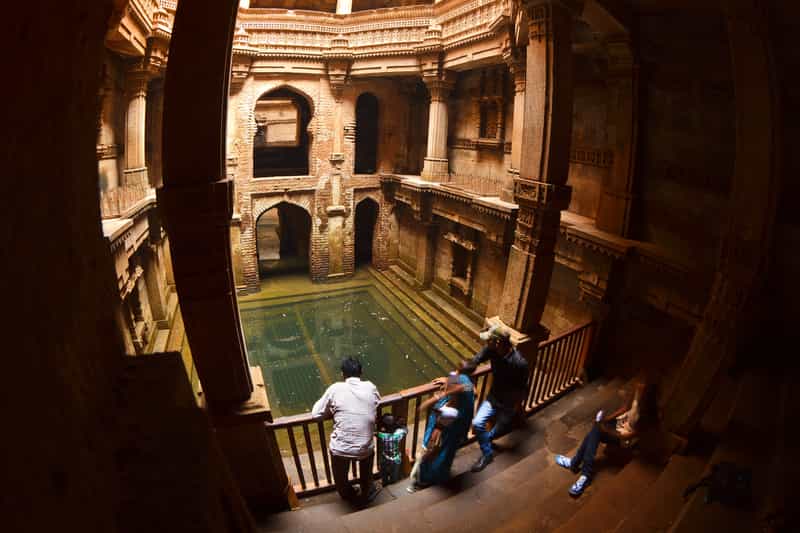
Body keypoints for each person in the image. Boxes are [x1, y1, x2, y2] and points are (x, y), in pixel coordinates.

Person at [554, 379, 649, 496]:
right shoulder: (638, 391)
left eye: (644, 383)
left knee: (596, 430)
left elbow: (629, 436)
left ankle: (580, 468)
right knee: (596, 428)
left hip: (624, 438)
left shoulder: (647, 414)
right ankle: (580, 469)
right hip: (619, 425)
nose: (639, 383)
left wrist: (606, 430)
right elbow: (625, 408)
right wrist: (606, 420)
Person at [312, 357, 382, 505]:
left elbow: (316, 414)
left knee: (340, 474)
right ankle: (367, 488)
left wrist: (333, 410)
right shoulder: (370, 387)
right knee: (367, 453)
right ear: (361, 372)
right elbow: (376, 402)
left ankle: (346, 493)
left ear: (343, 374)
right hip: (365, 448)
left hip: (340, 449)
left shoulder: (335, 388)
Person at [470, 324, 529, 473]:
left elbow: (522, 387)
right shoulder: (492, 350)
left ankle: (487, 442)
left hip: (509, 403)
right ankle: (487, 454)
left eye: (489, 340)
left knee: (499, 429)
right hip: (493, 398)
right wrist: (454, 378)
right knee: (477, 423)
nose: (486, 343)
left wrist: (518, 405)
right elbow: (474, 361)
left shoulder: (520, 363)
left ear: (498, 343)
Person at [408, 362, 476, 492]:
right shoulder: (467, 382)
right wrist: (447, 382)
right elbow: (465, 387)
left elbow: (435, 438)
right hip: (458, 425)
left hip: (451, 426)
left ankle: (425, 480)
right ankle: (436, 475)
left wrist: (435, 398)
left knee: (437, 450)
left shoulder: (450, 410)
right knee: (447, 450)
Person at [376, 413, 407, 486]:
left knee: (384, 475)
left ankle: (385, 484)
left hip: (385, 458)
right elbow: (405, 430)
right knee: (394, 476)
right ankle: (393, 484)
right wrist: (400, 424)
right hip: (396, 459)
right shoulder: (399, 433)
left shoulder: (382, 435)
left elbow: (375, 432)